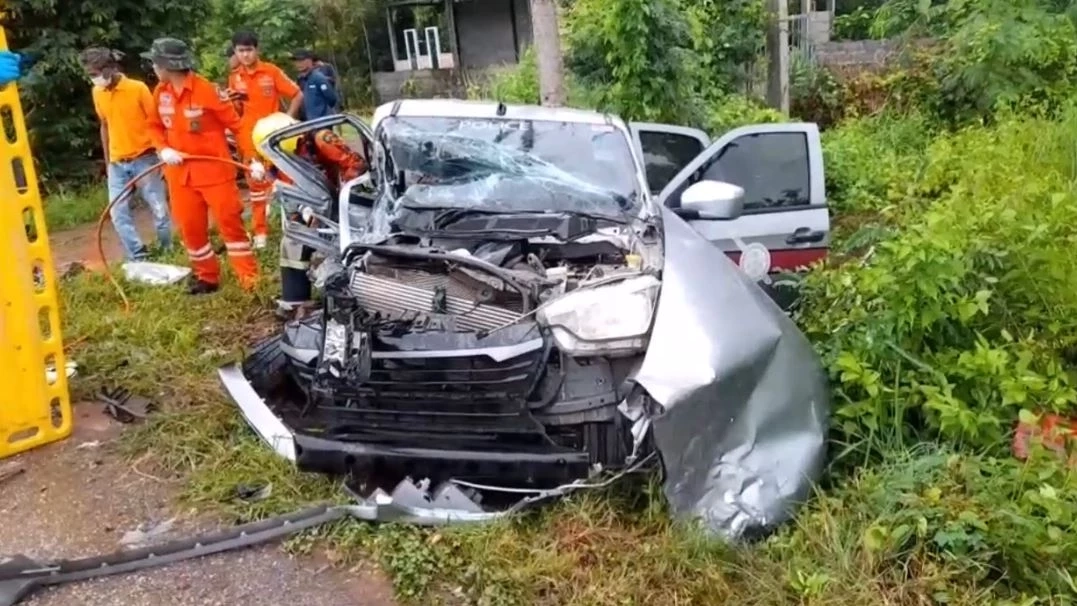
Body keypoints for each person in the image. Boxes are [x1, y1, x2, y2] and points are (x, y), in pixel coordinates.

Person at [142, 37, 258, 295]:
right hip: (179, 175)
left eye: (154, 63)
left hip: (215, 173)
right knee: (190, 229)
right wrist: (163, 148)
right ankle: (206, 277)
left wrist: (251, 158)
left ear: (167, 66)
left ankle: (249, 279)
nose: (153, 69)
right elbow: (153, 126)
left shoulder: (207, 91)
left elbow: (237, 127)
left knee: (231, 226)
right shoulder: (161, 93)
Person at [250, 112, 367, 319]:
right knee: (291, 241)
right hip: (308, 202)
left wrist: (345, 200)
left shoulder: (321, 139)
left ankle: (344, 298)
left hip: (337, 202)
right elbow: (283, 176)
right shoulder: (280, 151)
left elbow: (355, 166)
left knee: (332, 251)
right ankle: (294, 301)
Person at [79, 47, 172, 261]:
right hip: (117, 162)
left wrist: (162, 151)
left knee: (158, 208)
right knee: (117, 212)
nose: (94, 79)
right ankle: (138, 255)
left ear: (110, 68)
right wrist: (107, 159)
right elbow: (104, 124)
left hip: (145, 158)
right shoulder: (97, 92)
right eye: (90, 75)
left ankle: (168, 251)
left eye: (96, 73)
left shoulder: (137, 89)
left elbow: (155, 123)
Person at [229, 29, 303, 250]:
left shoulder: (271, 72)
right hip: (250, 141)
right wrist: (230, 101)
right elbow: (236, 110)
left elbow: (297, 94)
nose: (245, 55)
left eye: (249, 50)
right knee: (256, 187)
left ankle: (295, 230)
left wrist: (287, 120)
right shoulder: (235, 77)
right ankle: (260, 233)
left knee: (287, 183)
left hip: (275, 138)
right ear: (235, 52)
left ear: (257, 49)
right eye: (241, 51)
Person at [291, 49, 338, 120]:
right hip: (305, 122)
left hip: (321, 122)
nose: (298, 64)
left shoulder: (318, 78)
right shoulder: (299, 80)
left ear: (310, 61)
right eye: (296, 61)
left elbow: (332, 99)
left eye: (301, 60)